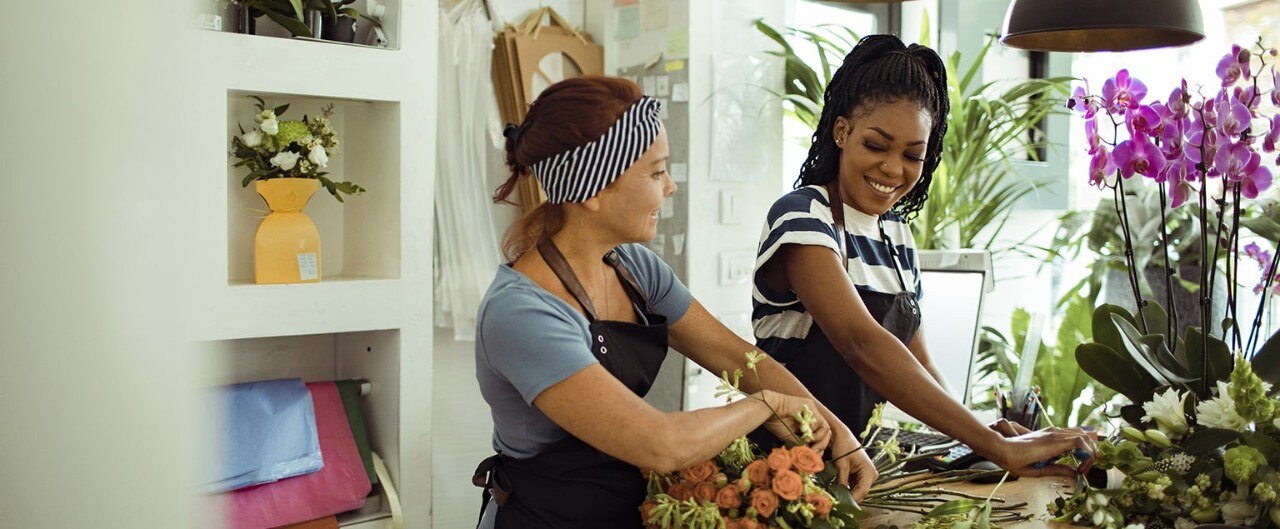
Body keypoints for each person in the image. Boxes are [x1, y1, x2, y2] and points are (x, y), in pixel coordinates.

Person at [470, 76, 877, 529]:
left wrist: (838, 433)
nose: (670, 188)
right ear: (595, 190)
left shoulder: (634, 268)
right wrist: (766, 405)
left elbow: (741, 359)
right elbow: (659, 444)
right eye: (656, 171)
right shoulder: (522, 313)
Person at [752, 34, 1097, 478]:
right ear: (842, 132)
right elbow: (862, 345)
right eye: (876, 146)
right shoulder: (801, 217)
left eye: (912, 155)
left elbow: (920, 364)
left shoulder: (896, 234)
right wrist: (990, 443)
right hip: (786, 470)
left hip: (862, 469)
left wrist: (977, 430)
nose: (893, 169)